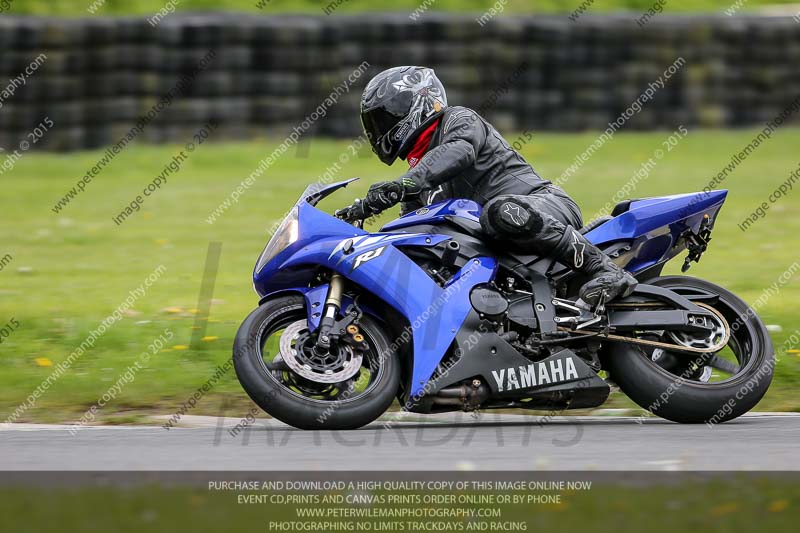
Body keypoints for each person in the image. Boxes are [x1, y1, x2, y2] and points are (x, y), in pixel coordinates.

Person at [353, 65, 637, 306]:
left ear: (416, 103)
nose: (378, 131)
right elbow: (414, 236)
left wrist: (401, 185)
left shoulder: (459, 120)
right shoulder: (419, 181)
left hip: (543, 205)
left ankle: (603, 268)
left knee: (497, 211)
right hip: (501, 239)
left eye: (385, 120)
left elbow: (459, 151)